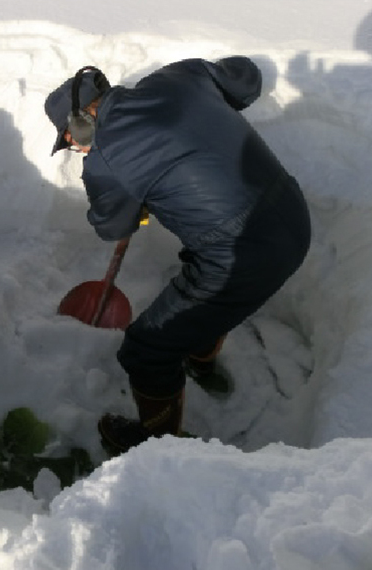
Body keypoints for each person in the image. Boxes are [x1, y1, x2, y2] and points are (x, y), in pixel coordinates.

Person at [44, 58, 311, 456]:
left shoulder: (106, 161)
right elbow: (247, 79)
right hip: (291, 215)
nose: (76, 147)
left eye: (70, 139)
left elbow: (112, 227)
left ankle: (158, 447)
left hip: (243, 256)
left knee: (145, 350)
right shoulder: (180, 76)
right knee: (203, 285)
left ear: (82, 121)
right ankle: (201, 356)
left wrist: (132, 200)